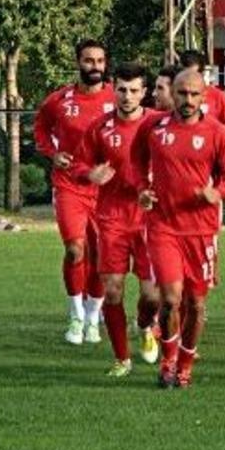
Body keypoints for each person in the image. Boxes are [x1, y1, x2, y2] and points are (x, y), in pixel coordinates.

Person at [129, 69, 225, 389]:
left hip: (201, 231)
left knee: (196, 304)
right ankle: (168, 360)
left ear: (204, 96)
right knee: (170, 298)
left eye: (194, 94)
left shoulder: (217, 133)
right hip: (163, 226)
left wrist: (217, 192)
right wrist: (143, 187)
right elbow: (136, 160)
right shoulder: (154, 127)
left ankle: (186, 363)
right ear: (172, 94)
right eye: (182, 93)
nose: (188, 100)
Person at [73, 62, 161, 377]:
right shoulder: (99, 128)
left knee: (152, 294)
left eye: (134, 90)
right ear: (114, 89)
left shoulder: (158, 124)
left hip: (151, 219)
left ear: (145, 92)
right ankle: (122, 358)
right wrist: (89, 174)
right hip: (111, 219)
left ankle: (145, 324)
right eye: (121, 89)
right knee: (112, 290)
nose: (127, 96)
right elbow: (79, 166)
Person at [33, 39, 116, 345]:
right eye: (88, 60)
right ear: (78, 63)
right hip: (69, 185)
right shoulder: (60, 100)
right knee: (75, 250)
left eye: (99, 61)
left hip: (105, 190)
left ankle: (94, 316)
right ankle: (76, 313)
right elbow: (41, 128)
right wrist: (52, 153)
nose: (94, 66)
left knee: (99, 256)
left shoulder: (115, 98)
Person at [178, 49, 225, 129]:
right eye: (184, 75)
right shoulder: (170, 96)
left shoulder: (218, 97)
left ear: (202, 74)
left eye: (192, 75)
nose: (187, 79)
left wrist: (217, 137)